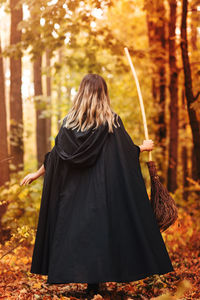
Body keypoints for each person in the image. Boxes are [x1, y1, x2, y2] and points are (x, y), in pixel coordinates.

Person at [20, 73, 174, 297]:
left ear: (81, 93)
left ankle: (92, 286)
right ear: (103, 93)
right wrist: (143, 147)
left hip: (75, 196)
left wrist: (37, 173)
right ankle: (97, 284)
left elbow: (56, 156)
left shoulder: (68, 124)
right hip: (102, 194)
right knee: (101, 232)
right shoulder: (111, 122)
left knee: (83, 234)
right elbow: (125, 154)